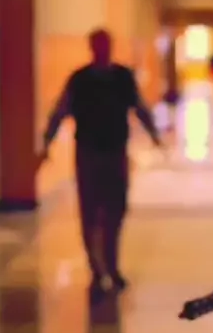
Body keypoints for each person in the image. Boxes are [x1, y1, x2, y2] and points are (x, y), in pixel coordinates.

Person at [39, 29, 162, 298]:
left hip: (116, 152)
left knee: (116, 211)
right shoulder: (80, 80)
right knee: (91, 212)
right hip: (89, 154)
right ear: (92, 47)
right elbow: (60, 110)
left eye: (106, 44)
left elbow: (139, 107)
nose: (102, 49)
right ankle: (97, 270)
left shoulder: (122, 77)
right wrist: (47, 142)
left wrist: (154, 133)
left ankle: (112, 266)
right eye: (99, 45)